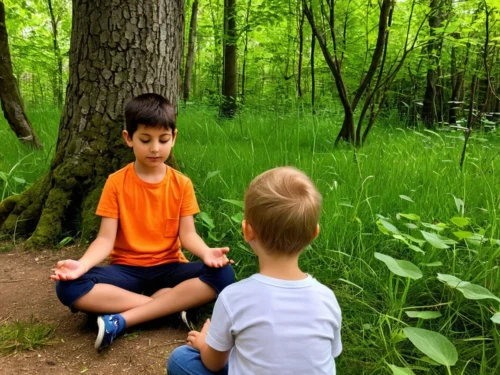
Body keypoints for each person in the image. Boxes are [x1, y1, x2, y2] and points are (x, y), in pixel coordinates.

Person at [50, 93, 235, 352]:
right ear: (129, 138)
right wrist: (80, 265)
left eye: (163, 140)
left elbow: (188, 235)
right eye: (145, 140)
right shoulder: (116, 182)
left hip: (170, 267)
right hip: (126, 271)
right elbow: (105, 239)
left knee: (224, 273)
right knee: (68, 286)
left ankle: (125, 317)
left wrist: (207, 253)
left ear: (174, 138)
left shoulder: (182, 184)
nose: (155, 148)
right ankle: (166, 308)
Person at [167, 167, 342, 375]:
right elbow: (328, 356)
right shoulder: (327, 299)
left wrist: (204, 343)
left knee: (181, 360)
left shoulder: (233, 298)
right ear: (314, 234)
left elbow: (213, 363)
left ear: (247, 231)